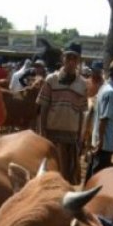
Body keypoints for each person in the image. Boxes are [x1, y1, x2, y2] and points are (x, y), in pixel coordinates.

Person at [37, 42, 87, 184]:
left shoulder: (82, 84)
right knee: (50, 175)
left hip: (71, 137)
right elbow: (44, 108)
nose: (71, 61)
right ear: (63, 59)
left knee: (68, 177)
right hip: (52, 135)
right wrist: (42, 134)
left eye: (75, 58)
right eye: (68, 57)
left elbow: (82, 113)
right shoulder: (51, 80)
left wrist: (80, 137)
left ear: (78, 61)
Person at [85, 58, 113, 183]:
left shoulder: (105, 88)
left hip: (100, 140)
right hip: (104, 143)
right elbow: (104, 118)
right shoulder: (110, 92)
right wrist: (101, 142)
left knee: (92, 173)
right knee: (99, 176)